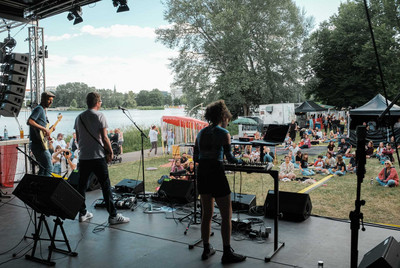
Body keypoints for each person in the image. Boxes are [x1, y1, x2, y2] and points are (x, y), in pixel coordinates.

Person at [193, 100, 246, 264]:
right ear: (223, 116)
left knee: (206, 214)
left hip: (202, 173)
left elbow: (196, 157)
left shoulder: (200, 133)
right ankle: (226, 252)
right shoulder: (224, 133)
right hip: (216, 171)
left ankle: (206, 249)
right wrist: (241, 162)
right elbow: (229, 158)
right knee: (226, 215)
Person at [74, 92, 129, 225]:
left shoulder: (79, 117)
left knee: (81, 186)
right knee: (105, 186)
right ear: (98, 102)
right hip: (98, 156)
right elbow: (104, 137)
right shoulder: (100, 116)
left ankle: (82, 213)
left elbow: (78, 138)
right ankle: (113, 216)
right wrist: (110, 151)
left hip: (83, 157)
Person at [27, 91, 56, 176]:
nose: (51, 102)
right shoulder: (39, 109)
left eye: (52, 100)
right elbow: (29, 121)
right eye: (49, 100)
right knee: (49, 167)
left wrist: (49, 130)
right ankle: (46, 188)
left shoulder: (42, 110)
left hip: (40, 144)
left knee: (43, 169)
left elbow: (40, 130)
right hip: (39, 145)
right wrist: (44, 128)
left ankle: (39, 186)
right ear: (43, 99)